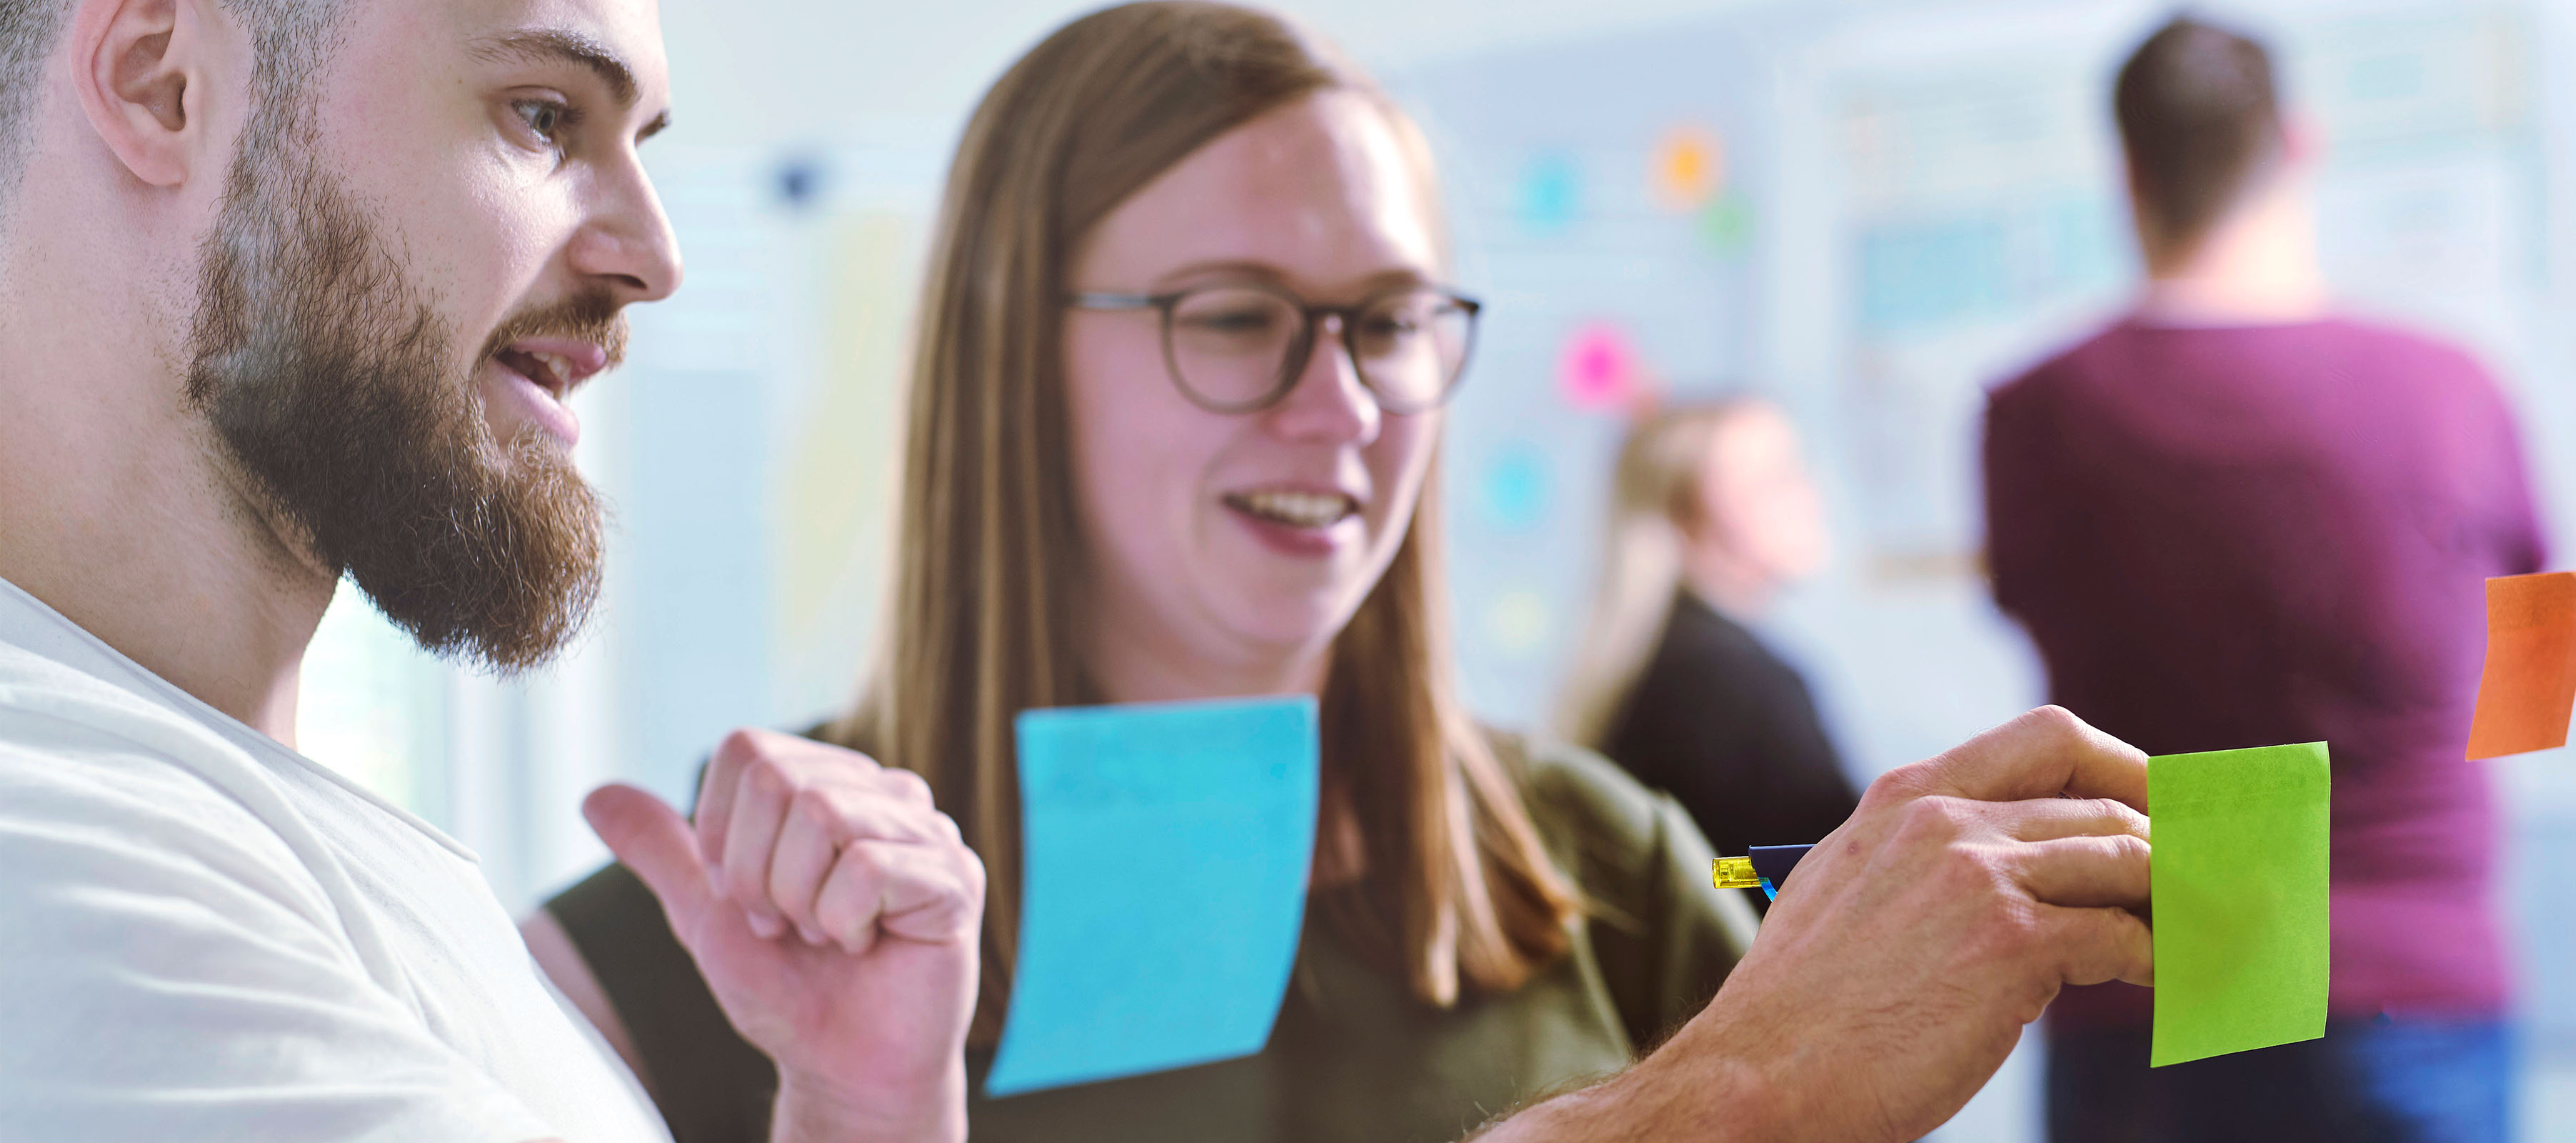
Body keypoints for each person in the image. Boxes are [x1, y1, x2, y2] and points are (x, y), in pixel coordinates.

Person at [0, 0, 2152, 1139]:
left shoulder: (1599, 859)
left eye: (1394, 317)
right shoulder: (689, 928)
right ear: (1006, 373)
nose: (1341, 404)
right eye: (1230, 315)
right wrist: (1728, 1105)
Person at [0, 0, 988, 1139]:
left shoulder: (242, 831)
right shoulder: (62, 873)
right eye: (544, 116)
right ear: (159, 83)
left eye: (639, 143)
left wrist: (864, 1108)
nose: (659, 261)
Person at [1985, 15, 2543, 1142]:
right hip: (2410, 978)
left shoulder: (2040, 411)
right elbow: (2529, 673)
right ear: (2301, 145)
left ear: (2129, 171)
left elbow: (2047, 629)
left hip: (2159, 975)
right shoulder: (2452, 390)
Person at [1555, 397, 1861, 870]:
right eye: (1775, 478)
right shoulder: (1728, 679)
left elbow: (1714, 871)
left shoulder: (1664, 659)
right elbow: (1790, 876)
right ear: (1688, 513)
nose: (1811, 494)